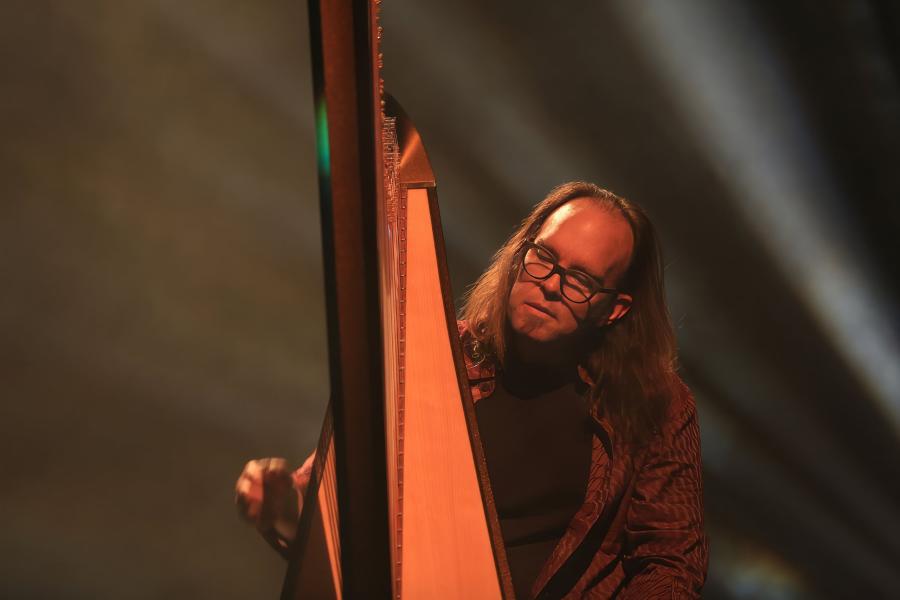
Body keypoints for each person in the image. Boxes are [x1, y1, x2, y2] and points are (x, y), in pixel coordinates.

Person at [235, 182, 709, 598]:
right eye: (543, 258)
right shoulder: (430, 356)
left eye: (581, 280)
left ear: (615, 309)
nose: (550, 286)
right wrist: (280, 505)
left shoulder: (656, 405)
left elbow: (671, 563)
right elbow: (328, 510)